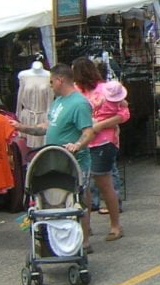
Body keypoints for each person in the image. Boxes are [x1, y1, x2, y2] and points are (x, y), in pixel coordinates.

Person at [10, 63, 96, 243]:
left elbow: (88, 131)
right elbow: (47, 127)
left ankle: (84, 241)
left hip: (75, 161)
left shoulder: (79, 103)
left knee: (78, 201)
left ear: (60, 80)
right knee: (63, 200)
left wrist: (77, 145)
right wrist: (22, 127)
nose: (49, 85)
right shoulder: (58, 101)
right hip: (57, 160)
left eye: (51, 82)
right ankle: (65, 238)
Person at [71, 57, 129, 241]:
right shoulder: (76, 92)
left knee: (104, 184)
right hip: (83, 143)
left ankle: (115, 225)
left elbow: (124, 113)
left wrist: (101, 125)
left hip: (104, 142)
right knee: (85, 186)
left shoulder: (106, 90)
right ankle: (86, 227)